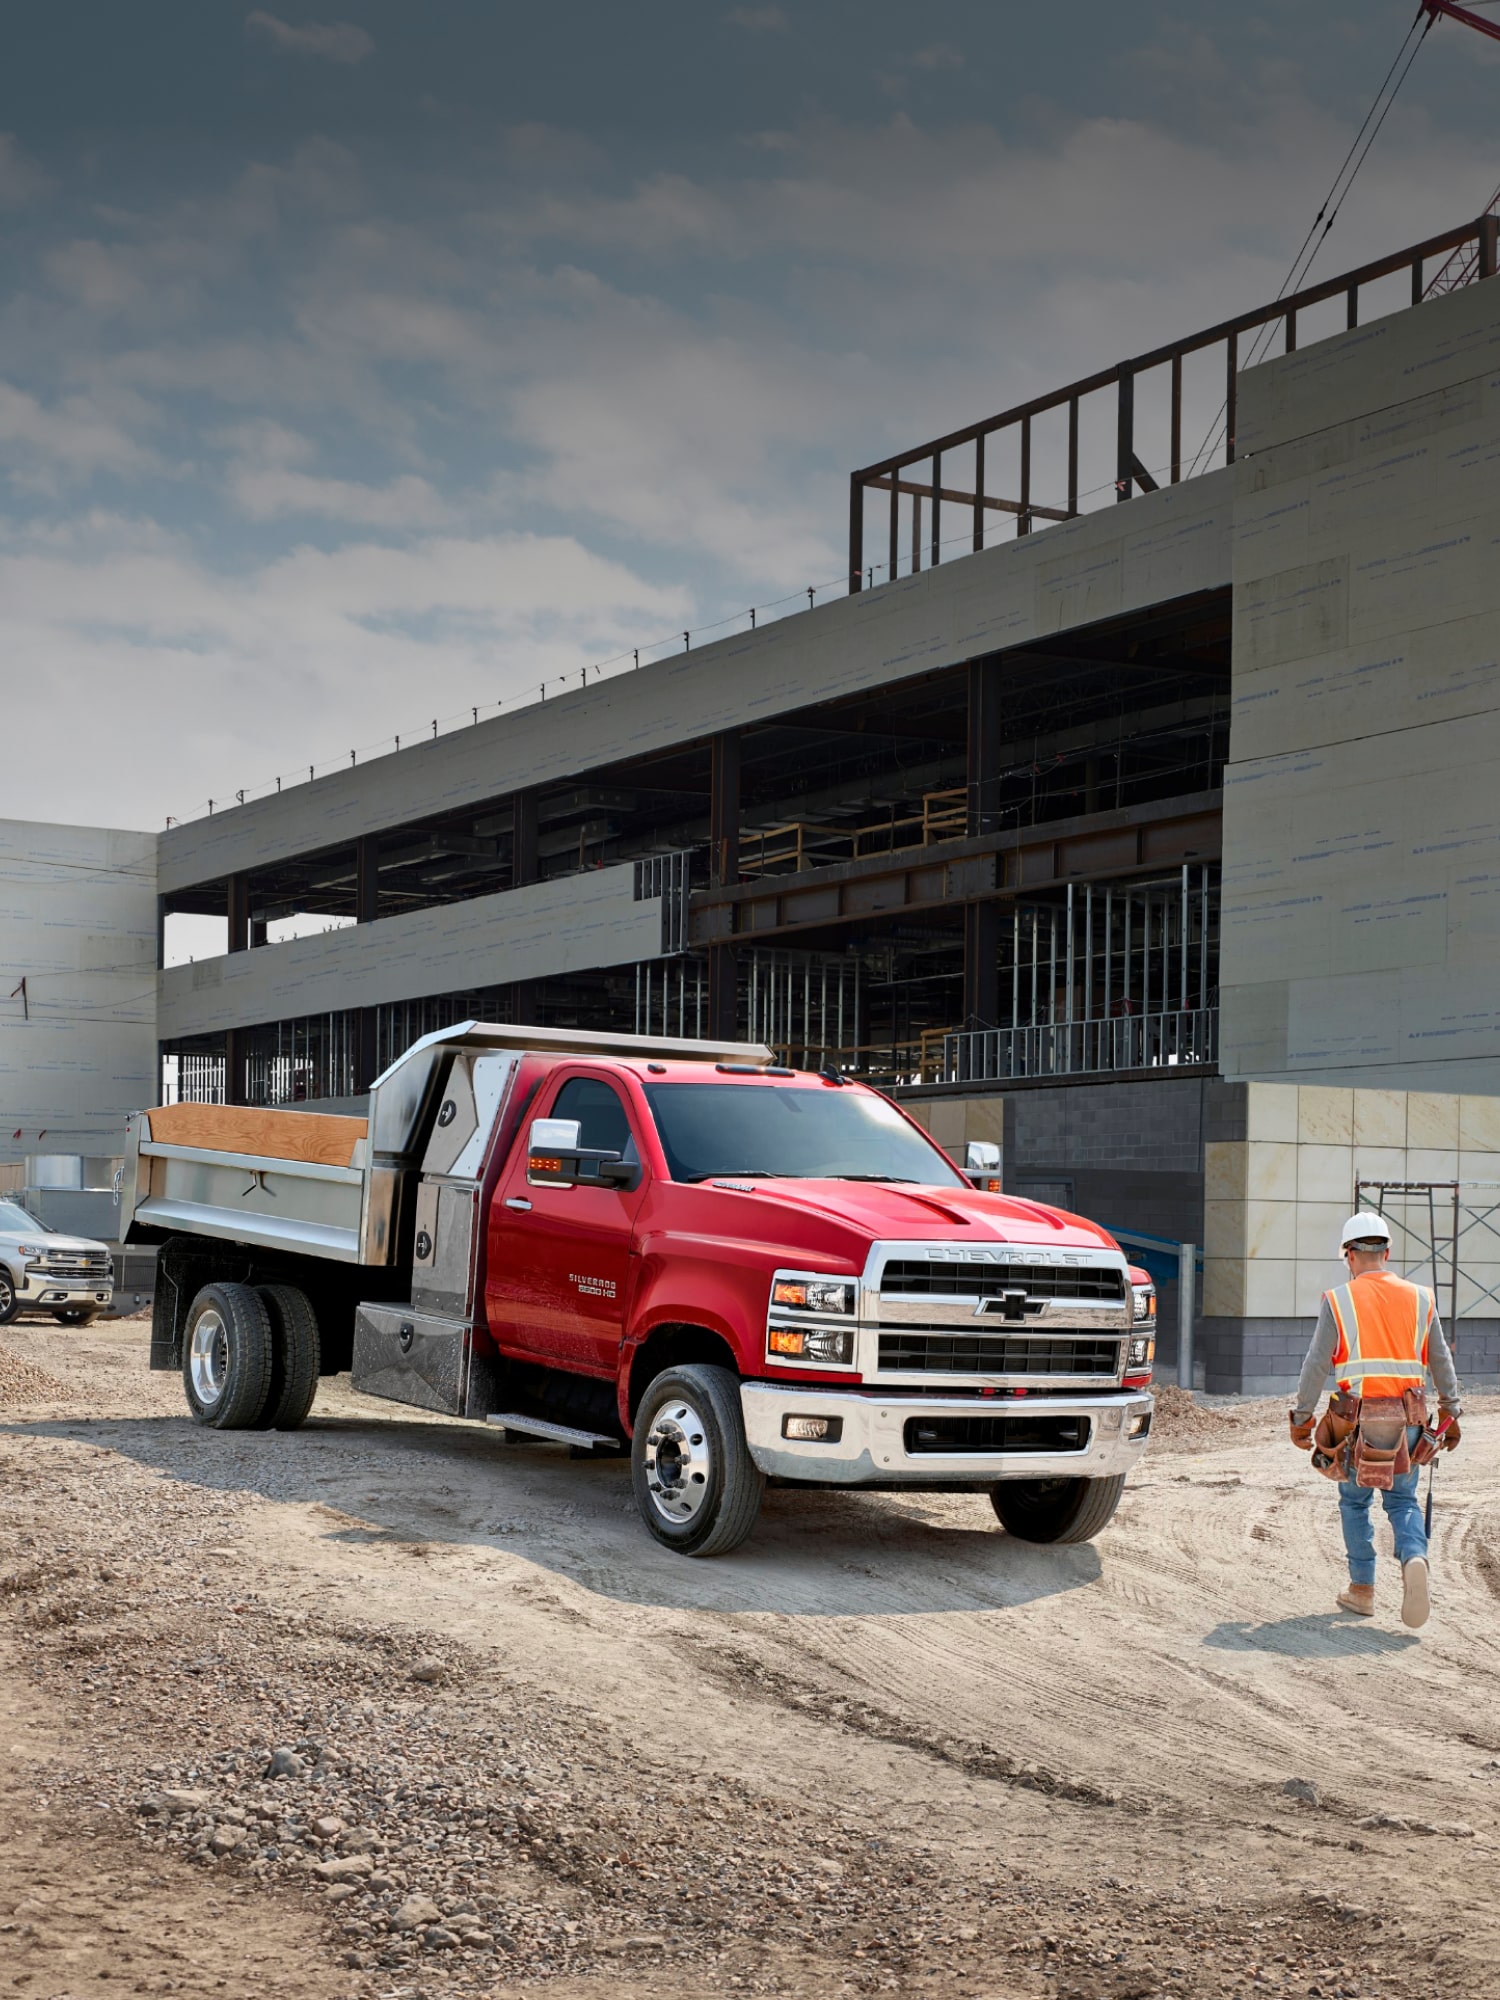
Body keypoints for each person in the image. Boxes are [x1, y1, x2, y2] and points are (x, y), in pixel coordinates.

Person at [1288, 1212, 1461, 1629]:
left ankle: (1362, 1590)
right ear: (1387, 1252)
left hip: (1357, 1422)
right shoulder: (1421, 1298)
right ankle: (1414, 1556)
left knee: (1354, 1502)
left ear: (1349, 1255)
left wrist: (1302, 1417)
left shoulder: (1339, 1300)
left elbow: (1316, 1364)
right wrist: (1450, 1411)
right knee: (1402, 1501)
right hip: (1410, 1419)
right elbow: (1441, 1360)